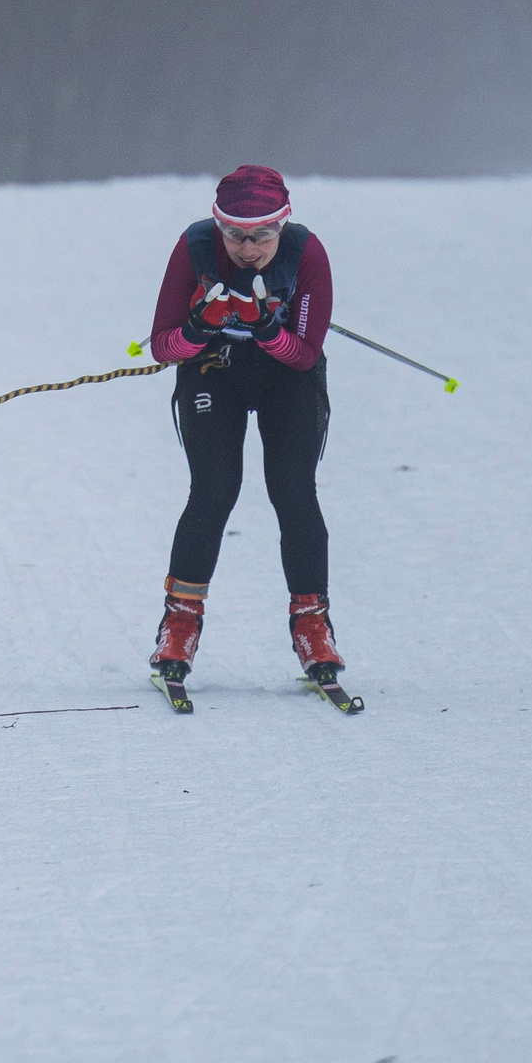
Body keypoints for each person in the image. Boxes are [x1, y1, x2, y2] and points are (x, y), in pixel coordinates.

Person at [145, 164, 343, 686]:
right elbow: (162, 346)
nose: (248, 248)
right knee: (214, 490)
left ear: (283, 226)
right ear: (218, 227)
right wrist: (196, 327)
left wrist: (264, 327)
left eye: (261, 236)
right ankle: (180, 625)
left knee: (294, 491)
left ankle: (313, 627)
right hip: (214, 372)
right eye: (234, 235)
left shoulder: (307, 253)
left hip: (287, 378)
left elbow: (303, 356)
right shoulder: (194, 248)